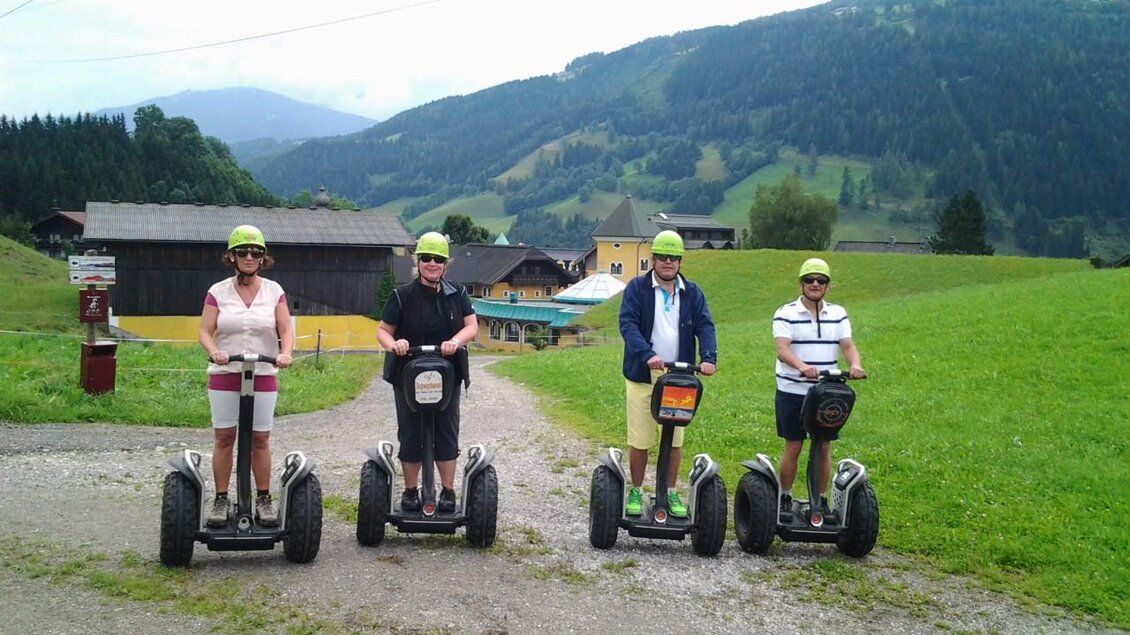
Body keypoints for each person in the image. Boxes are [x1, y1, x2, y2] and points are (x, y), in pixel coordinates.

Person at [199, 225, 294, 527]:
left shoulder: (274, 290)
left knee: (260, 439)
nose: (249, 256)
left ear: (263, 258)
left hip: (263, 371)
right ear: (232, 256)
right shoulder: (218, 291)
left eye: (256, 252)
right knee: (225, 437)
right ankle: (221, 499)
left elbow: (285, 329)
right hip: (226, 372)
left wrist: (286, 352)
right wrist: (214, 350)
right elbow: (204, 331)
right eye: (243, 251)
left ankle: (264, 499)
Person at [618, 230, 717, 518]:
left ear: (680, 261)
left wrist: (708, 357)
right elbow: (628, 326)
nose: (668, 262)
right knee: (641, 438)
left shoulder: (692, 292)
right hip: (643, 375)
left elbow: (705, 326)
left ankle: (670, 492)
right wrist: (647, 355)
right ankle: (636, 489)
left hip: (679, 377)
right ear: (654, 259)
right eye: (662, 257)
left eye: (673, 257)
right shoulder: (637, 289)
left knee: (674, 439)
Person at [377, 232, 477, 513]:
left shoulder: (457, 294)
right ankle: (410, 491)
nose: (432, 263)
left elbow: (471, 326)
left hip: (447, 372)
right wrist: (394, 344)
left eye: (438, 259)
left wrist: (455, 341)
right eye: (426, 258)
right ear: (418, 261)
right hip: (408, 372)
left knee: (446, 429)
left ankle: (447, 491)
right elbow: (383, 330)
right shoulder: (402, 295)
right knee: (410, 431)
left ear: (445, 264)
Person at [772, 257, 865, 516]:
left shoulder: (838, 313)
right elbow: (782, 349)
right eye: (809, 280)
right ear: (801, 284)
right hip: (793, 389)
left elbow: (847, 345)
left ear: (828, 286)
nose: (815, 284)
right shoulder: (786, 312)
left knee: (823, 444)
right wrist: (802, 367)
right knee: (794, 444)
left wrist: (855, 365)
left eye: (821, 280)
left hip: (825, 393)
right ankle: (785, 497)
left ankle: (820, 499)